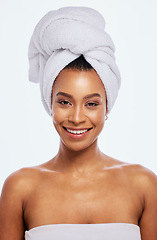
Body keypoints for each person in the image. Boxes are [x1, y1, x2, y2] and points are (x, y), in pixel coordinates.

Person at [0, 6, 156, 240]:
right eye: (64, 102)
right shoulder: (20, 188)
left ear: (107, 107)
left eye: (91, 104)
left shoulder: (144, 185)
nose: (76, 117)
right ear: (49, 104)